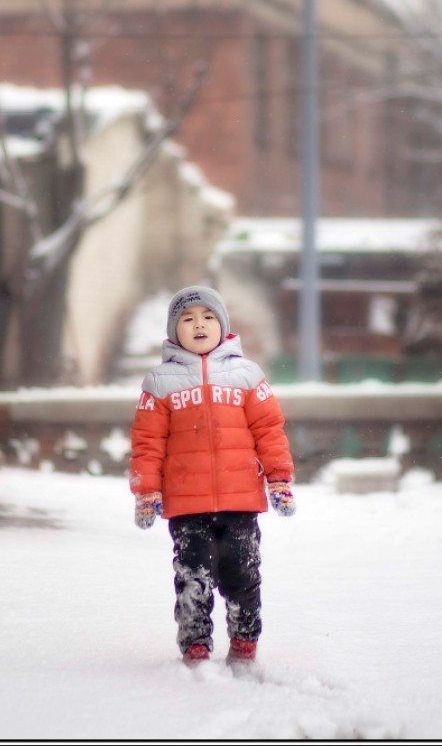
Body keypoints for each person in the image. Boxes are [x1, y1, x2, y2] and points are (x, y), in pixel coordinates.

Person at [129, 284, 295, 667]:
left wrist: (279, 479)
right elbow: (147, 443)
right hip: (187, 504)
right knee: (193, 576)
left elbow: (269, 431)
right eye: (187, 319)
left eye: (208, 317)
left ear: (222, 326)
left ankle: (244, 638)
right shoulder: (159, 382)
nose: (199, 325)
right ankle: (196, 644)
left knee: (242, 572)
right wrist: (146, 492)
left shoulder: (247, 375)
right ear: (174, 331)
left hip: (240, 501)